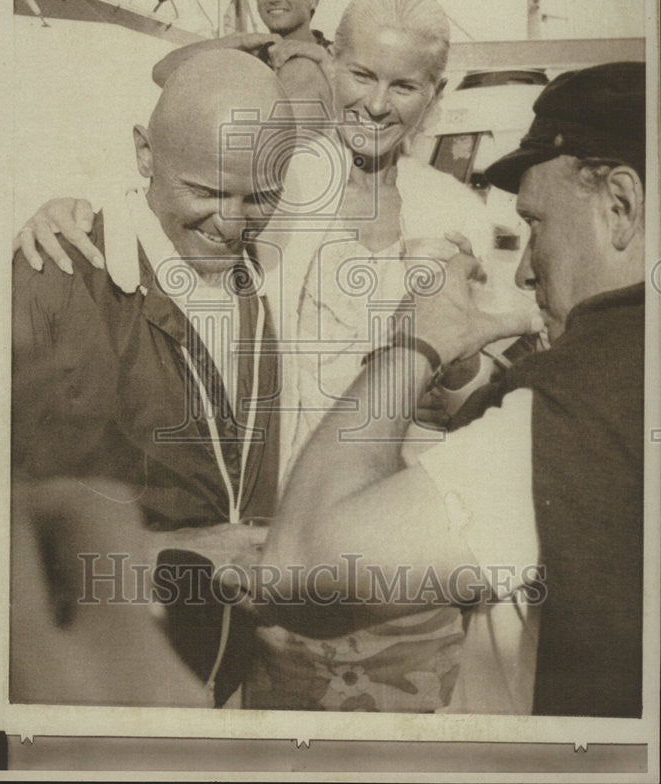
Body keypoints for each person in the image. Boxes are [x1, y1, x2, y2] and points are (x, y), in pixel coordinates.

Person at [15, 0, 535, 713]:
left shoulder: (454, 210)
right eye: (360, 74)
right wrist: (69, 212)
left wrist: (452, 363)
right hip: (267, 565)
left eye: (403, 84)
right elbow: (179, 188)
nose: (377, 104)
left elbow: (472, 393)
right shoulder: (284, 181)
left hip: (393, 565)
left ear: (433, 96)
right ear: (329, 68)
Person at [259, 61, 645, 717]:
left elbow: (299, 563)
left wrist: (416, 342)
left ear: (619, 205)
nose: (523, 271)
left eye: (537, 225)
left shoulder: (565, 410)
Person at [12, 49, 295, 708]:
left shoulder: (267, 273)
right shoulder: (55, 280)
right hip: (100, 697)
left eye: (259, 197)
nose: (232, 223)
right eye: (205, 191)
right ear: (144, 153)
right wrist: (182, 551)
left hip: (229, 684)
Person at [153, 0, 334, 117]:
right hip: (257, 145)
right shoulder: (249, 59)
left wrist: (322, 60)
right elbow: (162, 73)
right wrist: (236, 42)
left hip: (316, 146)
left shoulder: (339, 55)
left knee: (303, 70)